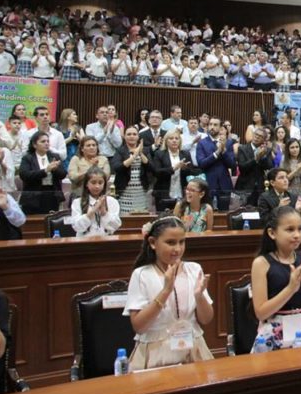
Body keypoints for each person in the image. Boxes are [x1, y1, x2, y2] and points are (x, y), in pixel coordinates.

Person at [123, 216, 214, 370]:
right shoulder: (142, 274)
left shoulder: (194, 269)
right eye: (170, 243)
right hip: (155, 352)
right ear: (152, 243)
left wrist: (199, 297)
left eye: (182, 242)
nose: (178, 249)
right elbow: (139, 326)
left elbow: (206, 319)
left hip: (193, 348)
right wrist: (165, 292)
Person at [250, 206, 301, 350]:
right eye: (290, 230)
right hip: (274, 329)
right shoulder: (261, 263)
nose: (297, 235)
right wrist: (291, 289)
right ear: (272, 233)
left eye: (300, 229)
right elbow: (261, 313)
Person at [19, 131, 66, 214]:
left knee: (51, 223)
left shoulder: (54, 156)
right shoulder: (28, 158)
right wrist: (45, 171)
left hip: (52, 195)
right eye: (43, 141)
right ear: (34, 145)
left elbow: (63, 174)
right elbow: (25, 175)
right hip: (33, 196)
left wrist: (55, 169)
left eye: (48, 141)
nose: (46, 143)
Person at [196, 117, 236, 210]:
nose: (212, 127)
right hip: (207, 184)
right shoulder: (202, 143)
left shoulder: (228, 143)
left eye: (215, 125)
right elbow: (201, 163)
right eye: (210, 124)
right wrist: (216, 153)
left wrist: (224, 152)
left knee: (224, 215)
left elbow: (232, 165)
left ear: (221, 127)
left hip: (224, 184)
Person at [70, 167, 122, 237]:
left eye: (100, 183)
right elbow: (77, 227)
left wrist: (104, 212)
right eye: (93, 182)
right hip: (84, 242)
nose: (97, 186)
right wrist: (92, 211)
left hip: (107, 241)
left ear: (104, 184)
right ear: (86, 184)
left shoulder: (112, 201)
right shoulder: (77, 202)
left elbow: (115, 226)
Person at [111, 126, 151, 214]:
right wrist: (133, 156)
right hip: (125, 190)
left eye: (134, 134)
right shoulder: (120, 151)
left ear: (138, 137)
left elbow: (151, 167)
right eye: (129, 134)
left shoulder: (146, 150)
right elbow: (117, 167)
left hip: (141, 190)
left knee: (140, 214)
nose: (132, 136)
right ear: (124, 137)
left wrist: (140, 153)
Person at [152, 129, 192, 211]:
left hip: (181, 194)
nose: (174, 140)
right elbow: (156, 172)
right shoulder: (159, 154)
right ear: (166, 141)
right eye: (171, 138)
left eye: (177, 138)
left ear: (180, 141)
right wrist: (174, 168)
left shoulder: (185, 154)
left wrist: (185, 169)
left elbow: (191, 172)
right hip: (164, 194)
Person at [235, 126, 274, 206]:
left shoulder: (267, 150)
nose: (257, 137)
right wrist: (256, 159)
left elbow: (269, 166)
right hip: (245, 186)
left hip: (260, 187)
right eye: (256, 135)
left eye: (260, 136)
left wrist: (263, 157)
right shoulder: (242, 148)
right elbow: (242, 167)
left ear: (264, 140)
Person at [281, 138, 301, 202]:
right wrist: (296, 169)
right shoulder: (284, 162)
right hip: (289, 192)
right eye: (292, 147)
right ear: (288, 149)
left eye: (297, 147)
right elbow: (284, 179)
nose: (295, 150)